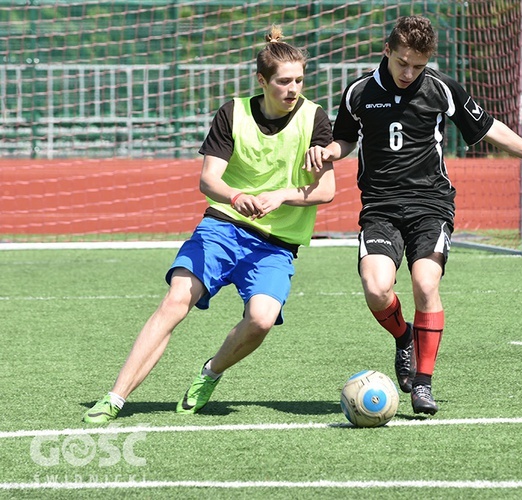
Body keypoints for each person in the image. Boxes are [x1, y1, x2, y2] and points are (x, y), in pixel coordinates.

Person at [305, 16, 522, 416]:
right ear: (387, 52)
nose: (409, 73)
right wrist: (330, 151)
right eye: (402, 63)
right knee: (377, 289)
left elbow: (489, 127)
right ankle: (404, 337)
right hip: (379, 206)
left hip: (431, 204)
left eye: (418, 65)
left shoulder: (441, 88)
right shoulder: (358, 92)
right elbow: (345, 138)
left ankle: (423, 386)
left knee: (424, 282)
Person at [83, 26, 335, 423]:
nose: (293, 89)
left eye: (299, 80)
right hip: (222, 227)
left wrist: (282, 194)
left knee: (261, 319)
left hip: (277, 244)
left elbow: (327, 190)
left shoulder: (314, 118)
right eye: (284, 81)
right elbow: (209, 180)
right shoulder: (233, 113)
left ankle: (210, 372)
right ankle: (114, 397)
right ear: (262, 81)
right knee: (176, 301)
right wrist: (237, 197)